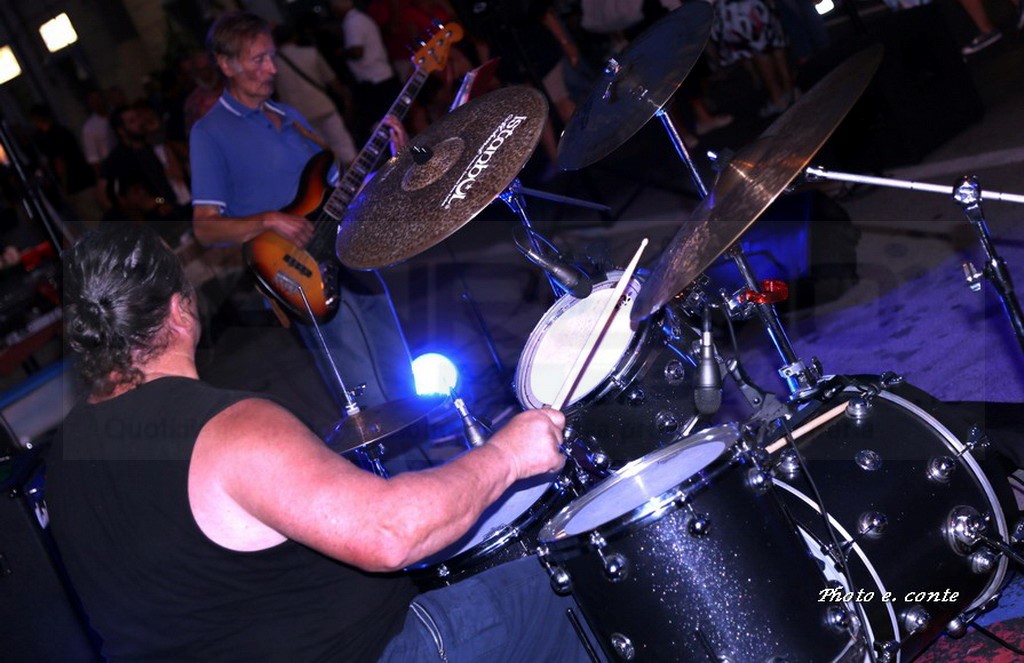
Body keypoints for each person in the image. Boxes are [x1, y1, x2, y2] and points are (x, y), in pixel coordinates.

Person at [47, 224, 589, 662]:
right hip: (385, 649)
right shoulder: (232, 429)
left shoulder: (63, 461)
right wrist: (507, 454)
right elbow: (390, 534)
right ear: (179, 310)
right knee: (566, 576)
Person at [189, 11, 416, 410]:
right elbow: (204, 228)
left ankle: (427, 438)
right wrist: (269, 220)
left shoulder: (289, 116)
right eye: (258, 59)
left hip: (352, 251)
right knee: (364, 386)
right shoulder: (209, 133)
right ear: (226, 64)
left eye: (271, 56)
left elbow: (340, 193)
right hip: (298, 271)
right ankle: (390, 451)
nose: (272, 68)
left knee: (399, 364)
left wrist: (395, 159)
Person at [272, 23, 359, 168]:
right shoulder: (310, 53)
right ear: (295, 36)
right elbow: (331, 79)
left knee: (322, 157)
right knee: (345, 147)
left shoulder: (273, 65)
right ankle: (359, 177)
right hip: (323, 106)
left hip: (300, 116)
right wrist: (346, 97)